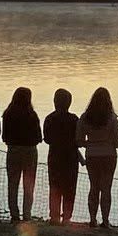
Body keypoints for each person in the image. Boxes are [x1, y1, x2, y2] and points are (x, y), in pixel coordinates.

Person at [77, 87, 118, 228]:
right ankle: (105, 220)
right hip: (109, 155)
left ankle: (92, 219)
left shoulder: (85, 118)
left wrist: (90, 144)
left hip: (92, 155)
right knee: (106, 188)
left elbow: (78, 140)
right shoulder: (112, 118)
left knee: (94, 187)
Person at [1, 86, 42, 223]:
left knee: (12, 184)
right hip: (30, 150)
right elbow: (38, 137)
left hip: (13, 150)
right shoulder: (32, 115)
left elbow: (4, 136)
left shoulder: (8, 114)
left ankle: (14, 214)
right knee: (29, 185)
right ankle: (27, 214)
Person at [43, 89, 80, 225]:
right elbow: (78, 139)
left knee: (54, 186)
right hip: (71, 157)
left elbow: (46, 139)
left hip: (54, 156)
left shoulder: (49, 118)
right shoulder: (74, 119)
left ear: (55, 102)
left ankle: (54, 215)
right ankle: (67, 217)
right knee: (70, 187)